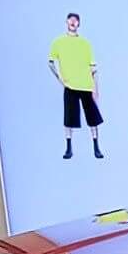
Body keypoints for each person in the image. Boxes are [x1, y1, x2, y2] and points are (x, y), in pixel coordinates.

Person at [48, 12, 103, 160]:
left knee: (93, 118)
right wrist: (60, 79)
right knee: (69, 119)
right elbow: (51, 62)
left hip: (86, 85)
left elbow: (93, 67)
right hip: (70, 86)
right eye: (71, 20)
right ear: (66, 22)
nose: (73, 22)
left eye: (76, 20)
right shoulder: (58, 42)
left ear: (79, 24)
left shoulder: (85, 44)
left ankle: (96, 147)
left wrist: (96, 88)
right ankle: (69, 148)